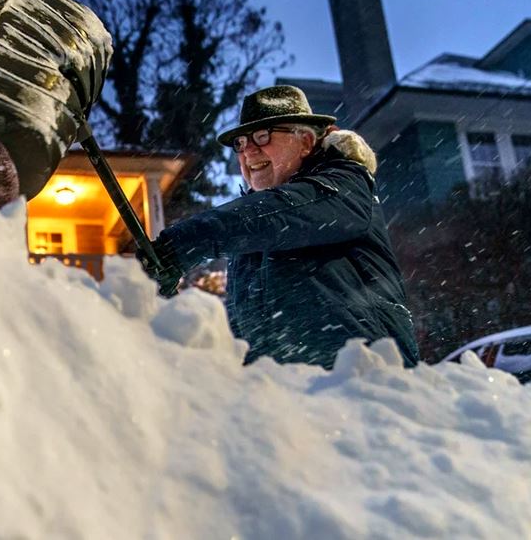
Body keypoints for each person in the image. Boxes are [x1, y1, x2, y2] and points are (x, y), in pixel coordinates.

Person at [139, 85, 419, 368]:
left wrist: (182, 245)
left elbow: (282, 211)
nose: (248, 151)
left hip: (365, 388)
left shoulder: (343, 185)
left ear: (306, 142)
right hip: (293, 399)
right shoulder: (251, 234)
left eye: (262, 136)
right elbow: (248, 340)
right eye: (241, 143)